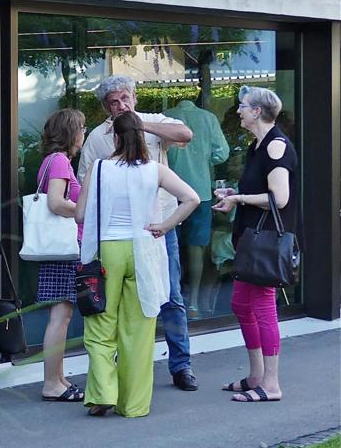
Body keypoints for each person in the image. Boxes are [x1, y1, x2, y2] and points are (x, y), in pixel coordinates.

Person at [78, 75, 199, 392]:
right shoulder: (97, 138)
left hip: (159, 226)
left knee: (171, 296)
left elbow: (186, 133)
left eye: (125, 99)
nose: (121, 105)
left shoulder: (154, 121)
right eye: (114, 102)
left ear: (134, 98)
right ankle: (119, 373)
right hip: (116, 233)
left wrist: (140, 127)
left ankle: (181, 365)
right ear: (105, 106)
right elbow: (84, 187)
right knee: (114, 304)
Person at [212, 86, 297, 403]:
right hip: (250, 240)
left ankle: (271, 385)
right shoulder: (257, 146)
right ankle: (256, 376)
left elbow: (279, 198)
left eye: (243, 106)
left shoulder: (276, 146)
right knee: (241, 305)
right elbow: (257, 188)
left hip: (265, 244)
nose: (238, 111)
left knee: (262, 308)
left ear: (258, 112)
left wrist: (239, 198)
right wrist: (233, 195)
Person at [34, 109, 86, 402]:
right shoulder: (60, 161)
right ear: (71, 132)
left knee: (61, 315)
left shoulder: (53, 161)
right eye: (81, 128)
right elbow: (56, 202)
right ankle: (52, 383)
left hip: (60, 248)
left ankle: (58, 378)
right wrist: (83, 213)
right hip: (63, 249)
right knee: (61, 317)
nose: (84, 134)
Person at [164, 98, 229, 316]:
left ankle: (171, 299)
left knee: (169, 246)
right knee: (196, 247)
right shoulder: (208, 118)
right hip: (200, 191)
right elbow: (223, 152)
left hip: (169, 191)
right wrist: (204, 160)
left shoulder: (165, 116)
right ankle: (192, 304)